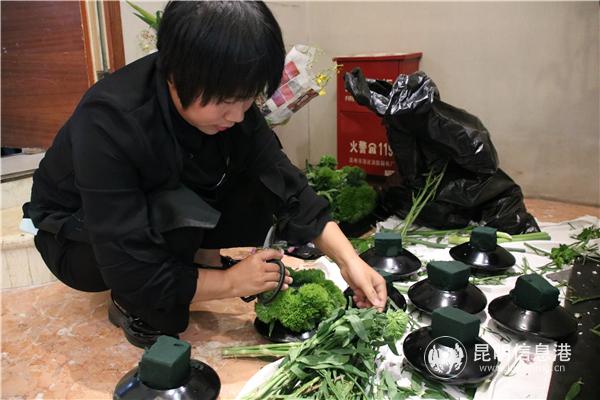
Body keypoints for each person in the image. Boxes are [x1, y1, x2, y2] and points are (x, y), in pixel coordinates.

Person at [24, 0, 387, 348]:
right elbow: (127, 260)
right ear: (175, 74)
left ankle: (190, 262)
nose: (238, 115)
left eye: (248, 98)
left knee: (261, 185)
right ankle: (129, 301)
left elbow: (285, 183)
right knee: (157, 294)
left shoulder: (228, 99)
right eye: (226, 101)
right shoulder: (109, 120)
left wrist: (349, 260)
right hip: (77, 237)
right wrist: (230, 282)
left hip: (159, 202)